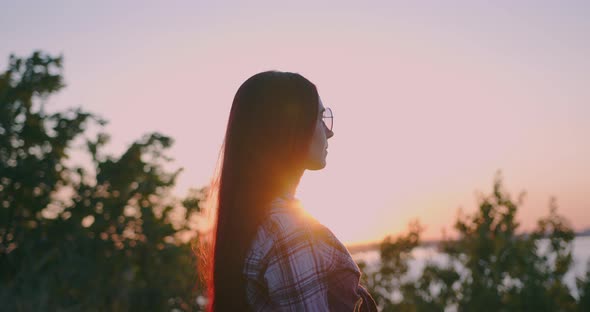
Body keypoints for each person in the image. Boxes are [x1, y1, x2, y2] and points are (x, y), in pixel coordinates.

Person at [200, 71, 377, 311]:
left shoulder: (253, 223)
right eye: (320, 117)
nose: (330, 131)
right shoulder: (290, 232)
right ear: (289, 128)